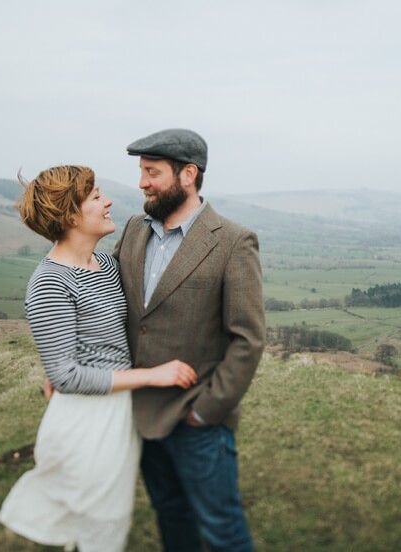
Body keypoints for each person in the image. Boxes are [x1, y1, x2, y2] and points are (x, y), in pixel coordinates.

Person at [0, 165, 198, 551]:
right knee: (99, 525)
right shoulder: (49, 282)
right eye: (95, 197)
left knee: (110, 518)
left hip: (118, 413)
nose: (107, 202)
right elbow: (67, 376)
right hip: (85, 419)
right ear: (70, 214)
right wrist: (153, 376)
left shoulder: (106, 266)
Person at [113, 129, 266, 551]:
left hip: (196, 419)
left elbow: (248, 338)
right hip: (141, 414)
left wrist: (206, 410)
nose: (142, 182)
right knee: (172, 518)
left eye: (152, 172)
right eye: (141, 172)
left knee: (222, 530)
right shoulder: (132, 230)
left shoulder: (234, 242)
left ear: (188, 175)